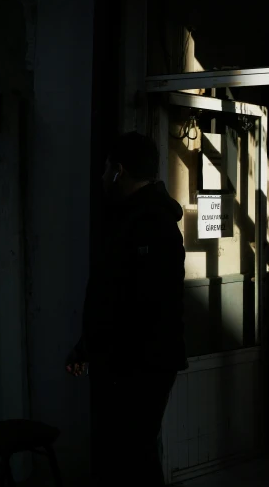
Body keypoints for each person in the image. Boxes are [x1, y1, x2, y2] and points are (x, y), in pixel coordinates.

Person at [66, 131, 188, 487]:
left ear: (119, 171)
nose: (102, 177)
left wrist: (101, 349)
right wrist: (87, 346)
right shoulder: (133, 219)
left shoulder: (148, 224)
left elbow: (135, 302)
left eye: (106, 169)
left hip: (137, 364)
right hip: (131, 361)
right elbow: (115, 297)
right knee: (130, 454)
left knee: (130, 455)